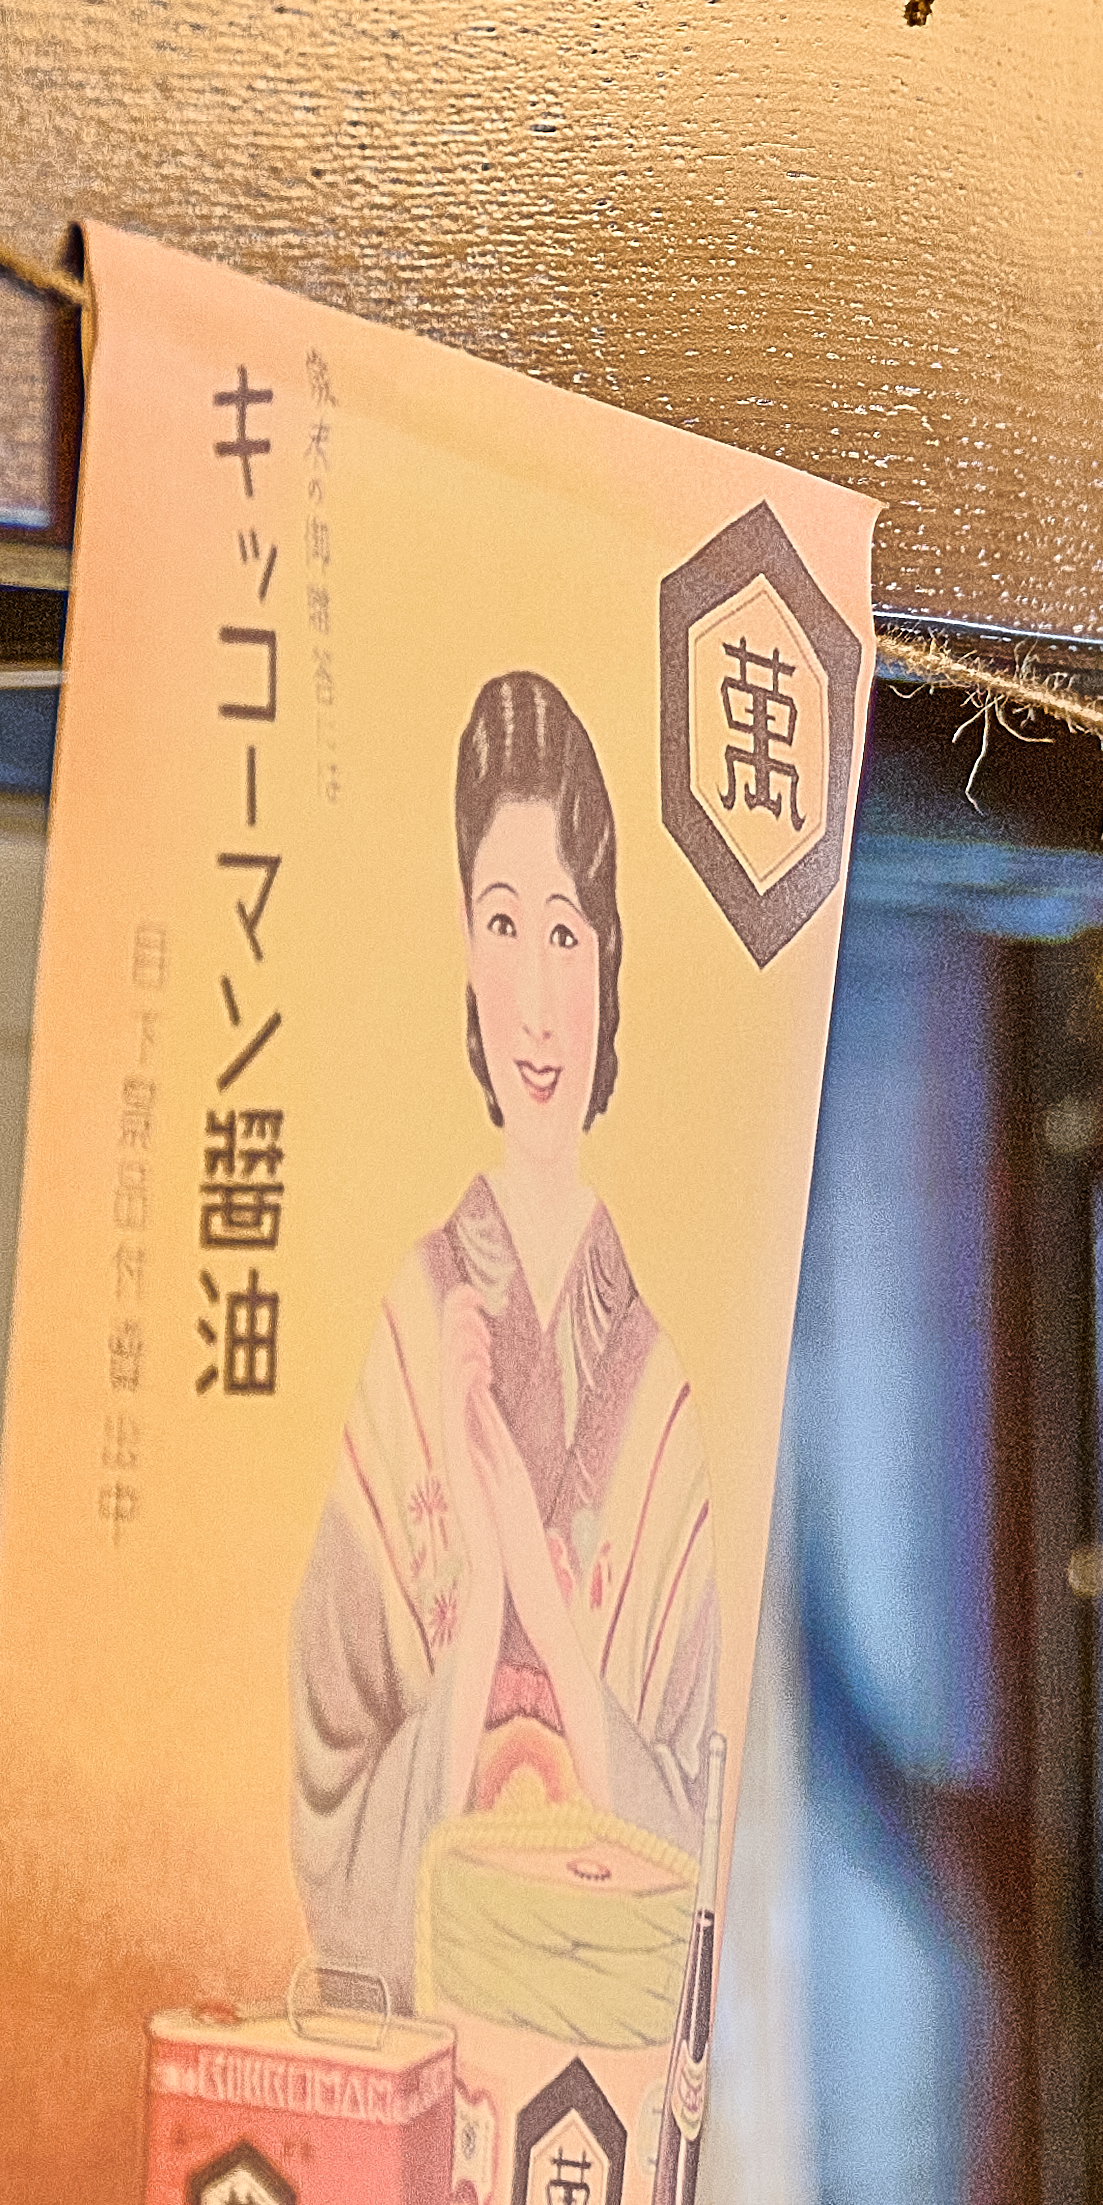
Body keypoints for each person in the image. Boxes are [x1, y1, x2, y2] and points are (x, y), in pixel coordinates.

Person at [293, 673, 732, 2005]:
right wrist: (482, 1602)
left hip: (599, 2065)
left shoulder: (660, 1380)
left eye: (566, 930)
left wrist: (547, 1608)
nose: (537, 999)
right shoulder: (414, 1322)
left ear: (608, 955)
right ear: (463, 953)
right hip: (431, 2062)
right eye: (502, 925)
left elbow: (696, 1833)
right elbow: (327, 1811)